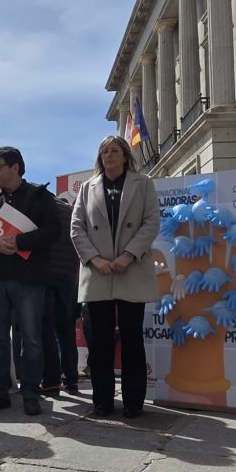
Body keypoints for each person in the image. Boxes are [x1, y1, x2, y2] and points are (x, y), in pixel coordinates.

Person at [70, 135, 160, 419]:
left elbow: (151, 222)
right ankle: (102, 401)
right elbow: (77, 227)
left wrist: (128, 254)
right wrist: (95, 259)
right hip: (98, 273)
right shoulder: (87, 187)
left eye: (114, 150)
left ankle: (134, 403)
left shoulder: (143, 182)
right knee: (99, 342)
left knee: (133, 338)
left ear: (124, 156)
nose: (108, 155)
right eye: (104, 151)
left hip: (131, 269)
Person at [0, 146, 60, 415]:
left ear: (15, 167)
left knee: (31, 338)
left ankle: (31, 392)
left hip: (29, 279)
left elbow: (53, 230)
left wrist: (19, 241)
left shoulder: (39, 196)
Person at [40, 194, 81, 396]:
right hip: (69, 277)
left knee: (47, 328)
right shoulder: (72, 213)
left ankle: (51, 381)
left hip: (47, 274)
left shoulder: (45, 208)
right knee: (66, 329)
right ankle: (71, 379)